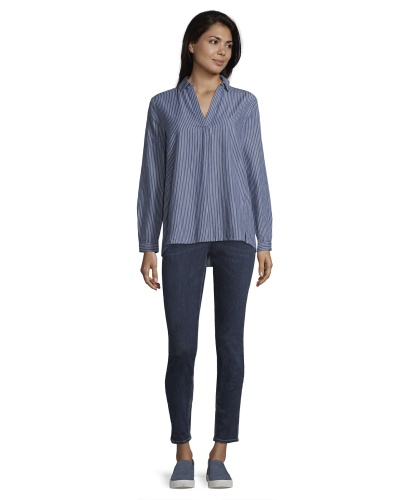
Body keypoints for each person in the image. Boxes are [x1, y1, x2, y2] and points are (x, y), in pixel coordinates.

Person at [137, 10, 273, 489]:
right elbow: (152, 178)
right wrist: (147, 243)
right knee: (183, 347)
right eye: (214, 41)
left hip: (236, 233)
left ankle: (220, 451)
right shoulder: (163, 106)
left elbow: (256, 169)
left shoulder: (245, 104)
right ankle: (182, 448)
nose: (223, 51)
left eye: (229, 45)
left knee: (230, 345)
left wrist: (264, 239)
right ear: (192, 44)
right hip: (181, 235)